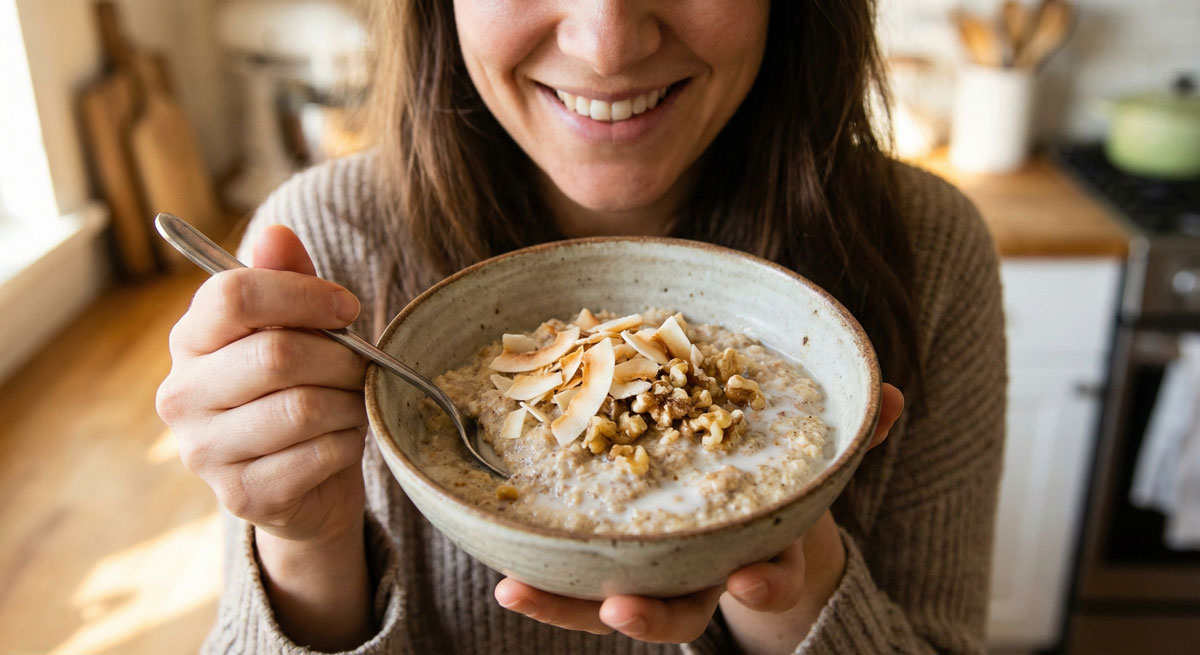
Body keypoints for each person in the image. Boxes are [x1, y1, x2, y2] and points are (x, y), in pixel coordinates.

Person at [155, 1, 1006, 653]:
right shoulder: (326, 250)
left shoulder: (926, 251)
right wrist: (306, 543)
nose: (607, 43)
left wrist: (793, 567)